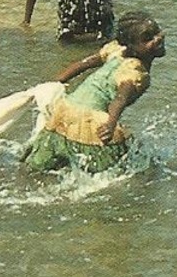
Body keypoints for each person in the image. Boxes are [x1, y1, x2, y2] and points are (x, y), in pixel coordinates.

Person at [21, 12, 165, 175]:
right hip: (91, 122)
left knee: (36, 170)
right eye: (147, 39)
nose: (158, 38)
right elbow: (119, 99)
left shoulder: (115, 51)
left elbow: (85, 63)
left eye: (157, 31)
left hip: (64, 110)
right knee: (129, 170)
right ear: (131, 46)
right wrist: (110, 125)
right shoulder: (135, 72)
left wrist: (54, 82)